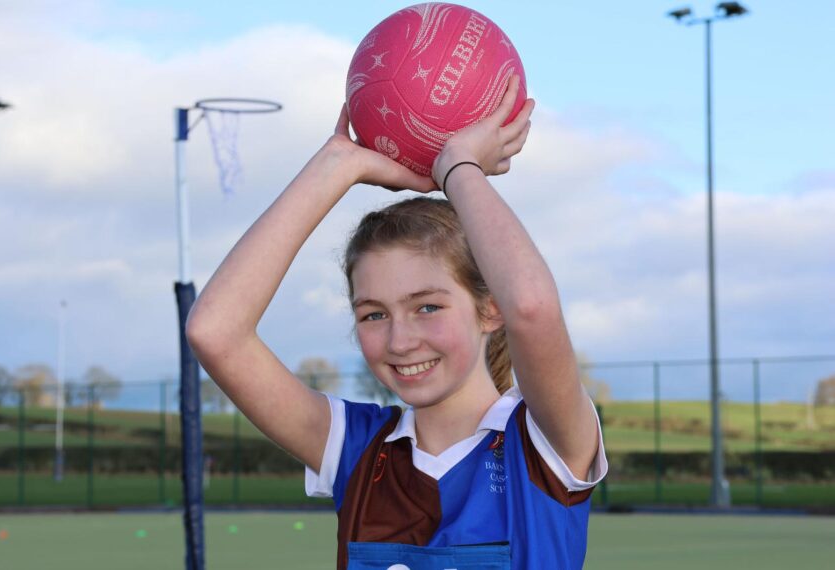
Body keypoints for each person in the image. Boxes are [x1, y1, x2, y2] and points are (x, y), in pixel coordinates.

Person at [186, 75, 607, 569]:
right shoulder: (355, 449)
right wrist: (339, 165)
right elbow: (213, 332)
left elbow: (532, 309)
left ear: (490, 309)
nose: (400, 339)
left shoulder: (543, 444)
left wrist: (460, 170)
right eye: (374, 314)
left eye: (427, 306)